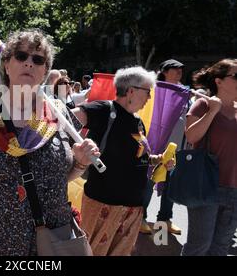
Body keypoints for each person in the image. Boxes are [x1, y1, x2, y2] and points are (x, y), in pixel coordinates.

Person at [0, 29, 100, 256]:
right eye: (21, 56)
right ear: (7, 65)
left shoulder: (59, 114)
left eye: (38, 59)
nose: (29, 63)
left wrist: (80, 163)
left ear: (45, 71)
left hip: (53, 244)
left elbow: (58, 179)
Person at [72, 66, 174, 256]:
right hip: (103, 205)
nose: (149, 98)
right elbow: (64, 120)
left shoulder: (137, 121)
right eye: (147, 92)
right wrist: (75, 150)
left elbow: (136, 157)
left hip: (133, 208)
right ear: (131, 91)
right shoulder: (104, 110)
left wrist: (157, 160)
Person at [181, 59, 237, 256]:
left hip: (234, 190)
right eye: (235, 76)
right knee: (199, 246)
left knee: (220, 248)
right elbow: (192, 136)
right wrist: (213, 111)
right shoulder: (203, 104)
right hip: (206, 185)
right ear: (218, 81)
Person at [141, 59, 185, 235]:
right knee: (149, 182)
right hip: (156, 147)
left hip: (175, 149)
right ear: (164, 71)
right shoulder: (154, 90)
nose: (180, 71)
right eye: (175, 68)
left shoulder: (184, 93)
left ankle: (165, 220)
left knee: (170, 185)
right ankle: (140, 218)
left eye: (181, 69)